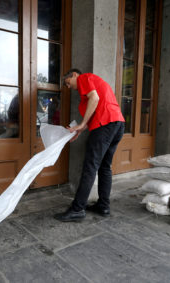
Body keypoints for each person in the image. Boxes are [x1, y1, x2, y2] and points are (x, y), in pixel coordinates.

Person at [54, 69, 125, 222]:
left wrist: (82, 123)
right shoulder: (89, 90)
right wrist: (80, 130)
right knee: (105, 167)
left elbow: (95, 98)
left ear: (74, 75)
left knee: (90, 167)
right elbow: (94, 111)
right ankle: (103, 206)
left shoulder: (84, 78)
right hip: (117, 123)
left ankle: (77, 209)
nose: (68, 87)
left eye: (67, 83)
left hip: (105, 125)